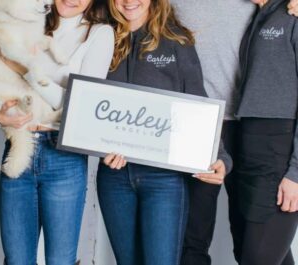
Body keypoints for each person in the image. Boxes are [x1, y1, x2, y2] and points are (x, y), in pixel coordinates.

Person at [94, 0, 232, 263]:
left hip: (164, 178)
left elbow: (197, 102)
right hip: (113, 177)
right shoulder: (100, 37)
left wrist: (222, 158)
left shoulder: (177, 41)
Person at [170, 1, 298, 264]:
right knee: (198, 238)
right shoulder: (262, 13)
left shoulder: (284, 10)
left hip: (261, 134)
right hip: (202, 124)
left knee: (253, 241)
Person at [0, 0, 114, 263]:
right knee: (16, 261)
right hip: (19, 146)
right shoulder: (25, 23)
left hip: (64, 156)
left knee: (61, 261)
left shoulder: (99, 34)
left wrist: (26, 70)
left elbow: (81, 106)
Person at [235, 0, 298, 264]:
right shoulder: (258, 14)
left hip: (279, 151)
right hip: (249, 146)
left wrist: (296, 172)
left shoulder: (292, 13)